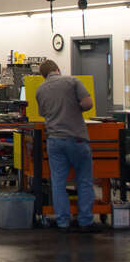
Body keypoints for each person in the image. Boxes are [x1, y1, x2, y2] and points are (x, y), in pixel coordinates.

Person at [35, 59, 99, 232]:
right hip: (76, 138)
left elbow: (43, 113)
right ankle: (85, 222)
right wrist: (73, 108)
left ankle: (63, 222)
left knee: (58, 182)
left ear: (43, 75)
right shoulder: (72, 81)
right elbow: (88, 103)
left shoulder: (40, 90)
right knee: (84, 181)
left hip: (54, 140)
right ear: (57, 69)